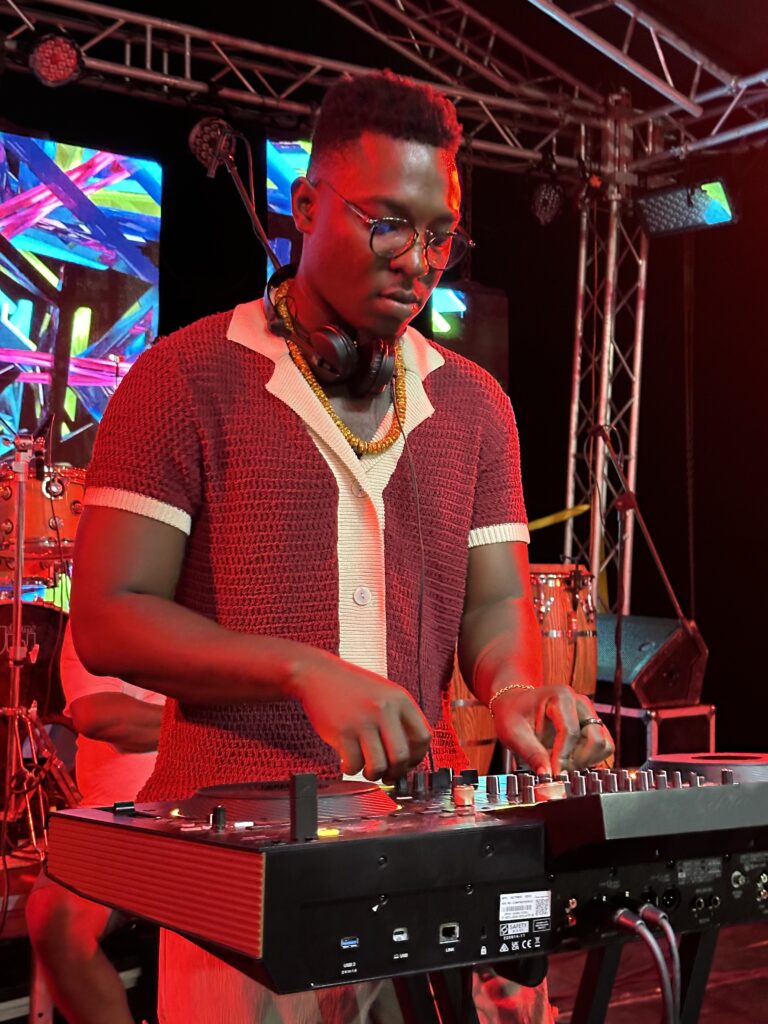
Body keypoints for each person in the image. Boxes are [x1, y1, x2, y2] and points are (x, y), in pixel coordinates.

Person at [68, 71, 613, 1023]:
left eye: (439, 235)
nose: (419, 262)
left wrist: (516, 692)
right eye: (388, 224)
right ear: (307, 204)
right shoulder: (180, 378)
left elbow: (493, 604)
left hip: (419, 851)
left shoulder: (477, 406)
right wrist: (301, 670)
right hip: (234, 866)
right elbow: (110, 617)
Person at [26, 622, 164, 1024]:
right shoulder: (97, 619)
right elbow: (104, 718)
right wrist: (217, 723)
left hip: (211, 813)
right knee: (53, 916)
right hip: (115, 818)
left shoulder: (225, 605)